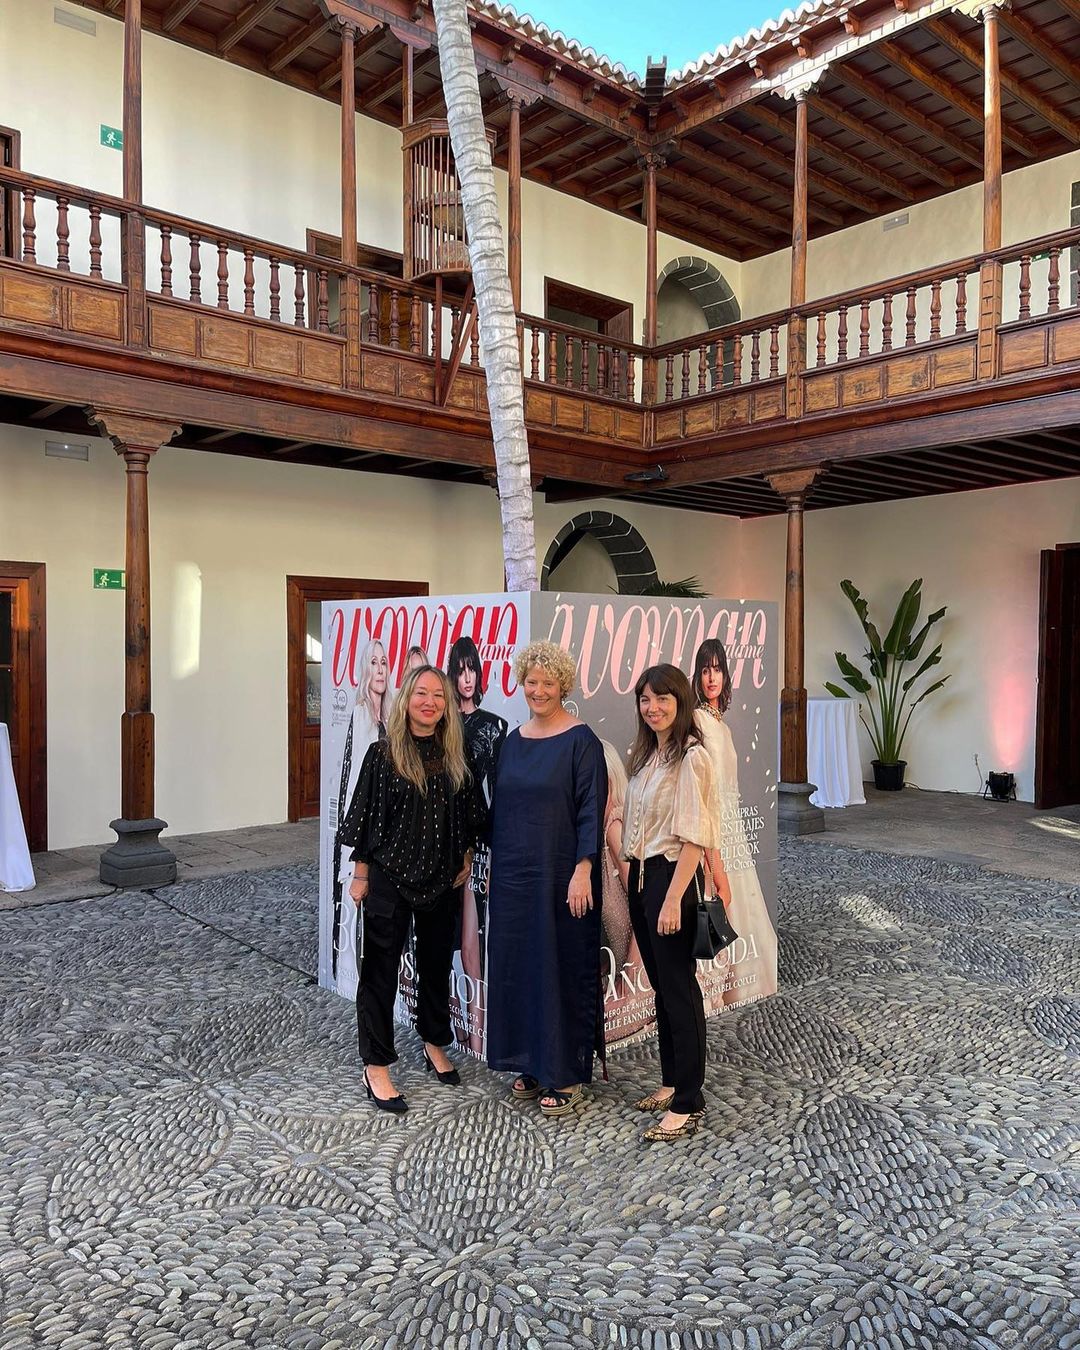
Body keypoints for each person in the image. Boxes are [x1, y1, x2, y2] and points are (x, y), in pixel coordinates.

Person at [341, 665, 485, 1113]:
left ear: (446, 706)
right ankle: (376, 1066)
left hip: (441, 879)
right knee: (380, 973)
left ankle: (433, 1041)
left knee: (436, 966)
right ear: (406, 699)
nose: (430, 702)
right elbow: (366, 821)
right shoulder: (382, 755)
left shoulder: (457, 755)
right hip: (389, 878)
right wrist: (361, 876)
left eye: (438, 695)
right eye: (421, 693)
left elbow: (470, 814)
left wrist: (465, 855)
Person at [487, 639, 607, 1117]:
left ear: (564, 687)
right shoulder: (512, 742)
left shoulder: (582, 741)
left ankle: (566, 1072)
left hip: (562, 878)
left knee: (560, 968)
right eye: (531, 681)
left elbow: (591, 810)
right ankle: (532, 1062)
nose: (538, 690)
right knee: (521, 968)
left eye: (548, 683)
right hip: (514, 880)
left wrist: (584, 869)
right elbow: (501, 811)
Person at [623, 663, 723, 1142]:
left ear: (680, 701)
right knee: (663, 987)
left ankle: (689, 1100)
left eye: (662, 698)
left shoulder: (691, 757)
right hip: (642, 877)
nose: (653, 708)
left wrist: (671, 899)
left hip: (671, 880)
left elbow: (694, 838)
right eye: (645, 699)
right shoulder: (648, 755)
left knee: (679, 989)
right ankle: (671, 1081)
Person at [692, 638, 778, 1005]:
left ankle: (747, 980)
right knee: (719, 896)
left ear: (726, 676)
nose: (712, 677)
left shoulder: (721, 724)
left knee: (743, 898)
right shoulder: (696, 720)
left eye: (717, 670)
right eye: (705, 670)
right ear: (697, 677)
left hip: (733, 824)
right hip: (713, 823)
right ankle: (721, 985)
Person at [447, 635, 507, 1004]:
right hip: (443, 835)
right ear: (452, 675)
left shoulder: (495, 726)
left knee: (475, 939)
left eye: (472, 669)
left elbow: (498, 791)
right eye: (460, 670)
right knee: (444, 934)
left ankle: (480, 1021)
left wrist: (496, 847)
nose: (467, 678)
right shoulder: (442, 723)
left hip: (481, 837)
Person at [332, 638, 393, 990]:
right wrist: (357, 840)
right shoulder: (360, 714)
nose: (380, 669)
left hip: (384, 829)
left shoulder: (389, 716)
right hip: (364, 830)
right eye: (374, 662)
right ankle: (350, 981)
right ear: (365, 669)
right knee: (353, 907)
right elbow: (355, 780)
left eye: (384, 662)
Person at [598, 741, 650, 1044]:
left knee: (598, 1031)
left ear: (609, 780)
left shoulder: (614, 827)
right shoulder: (595, 829)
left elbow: (645, 902)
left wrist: (631, 981)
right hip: (620, 971)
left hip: (643, 969)